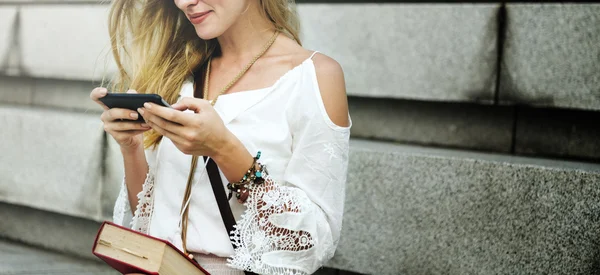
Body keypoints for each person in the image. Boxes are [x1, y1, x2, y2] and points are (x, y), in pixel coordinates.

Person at [90, 0, 351, 274]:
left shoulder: (313, 76)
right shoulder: (178, 72)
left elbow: (313, 240)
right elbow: (149, 222)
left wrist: (224, 149)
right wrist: (131, 147)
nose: (183, 2)